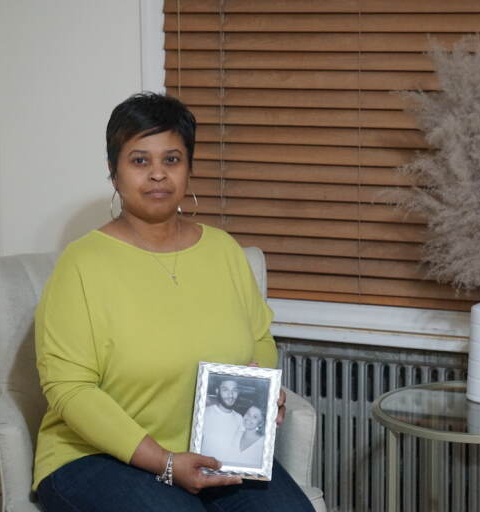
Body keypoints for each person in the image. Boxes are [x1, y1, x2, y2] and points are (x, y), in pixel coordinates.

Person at [32, 92, 313, 511]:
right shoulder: (82, 265)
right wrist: (165, 462)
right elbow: (70, 390)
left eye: (172, 159)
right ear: (114, 173)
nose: (158, 175)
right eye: (140, 160)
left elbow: (258, 339)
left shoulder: (223, 250)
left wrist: (262, 390)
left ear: (189, 169)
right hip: (94, 457)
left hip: (215, 452)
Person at [200, 378, 243, 461]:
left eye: (234, 390)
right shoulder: (204, 413)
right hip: (205, 470)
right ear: (217, 391)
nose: (230, 395)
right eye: (225, 390)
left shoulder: (240, 418)